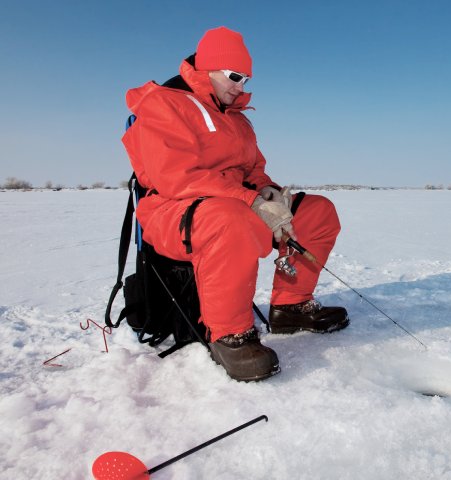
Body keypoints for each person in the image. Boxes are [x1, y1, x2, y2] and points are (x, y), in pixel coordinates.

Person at [122, 26, 349, 381]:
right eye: (234, 77)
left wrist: (270, 193)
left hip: (234, 206)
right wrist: (251, 201)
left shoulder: (238, 120)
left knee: (317, 212)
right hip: (171, 211)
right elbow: (175, 177)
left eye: (246, 79)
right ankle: (230, 336)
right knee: (230, 219)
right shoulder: (163, 104)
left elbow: (254, 170)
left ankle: (290, 308)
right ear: (208, 68)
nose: (241, 87)